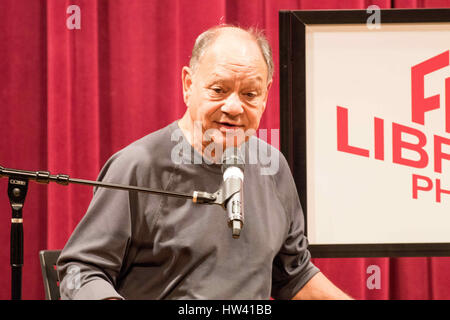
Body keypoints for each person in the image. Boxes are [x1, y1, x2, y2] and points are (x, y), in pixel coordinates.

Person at [57, 25, 351, 300]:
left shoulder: (273, 166)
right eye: (219, 90)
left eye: (250, 94)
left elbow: (293, 276)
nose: (234, 107)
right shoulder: (137, 166)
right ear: (188, 84)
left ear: (265, 96)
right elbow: (78, 271)